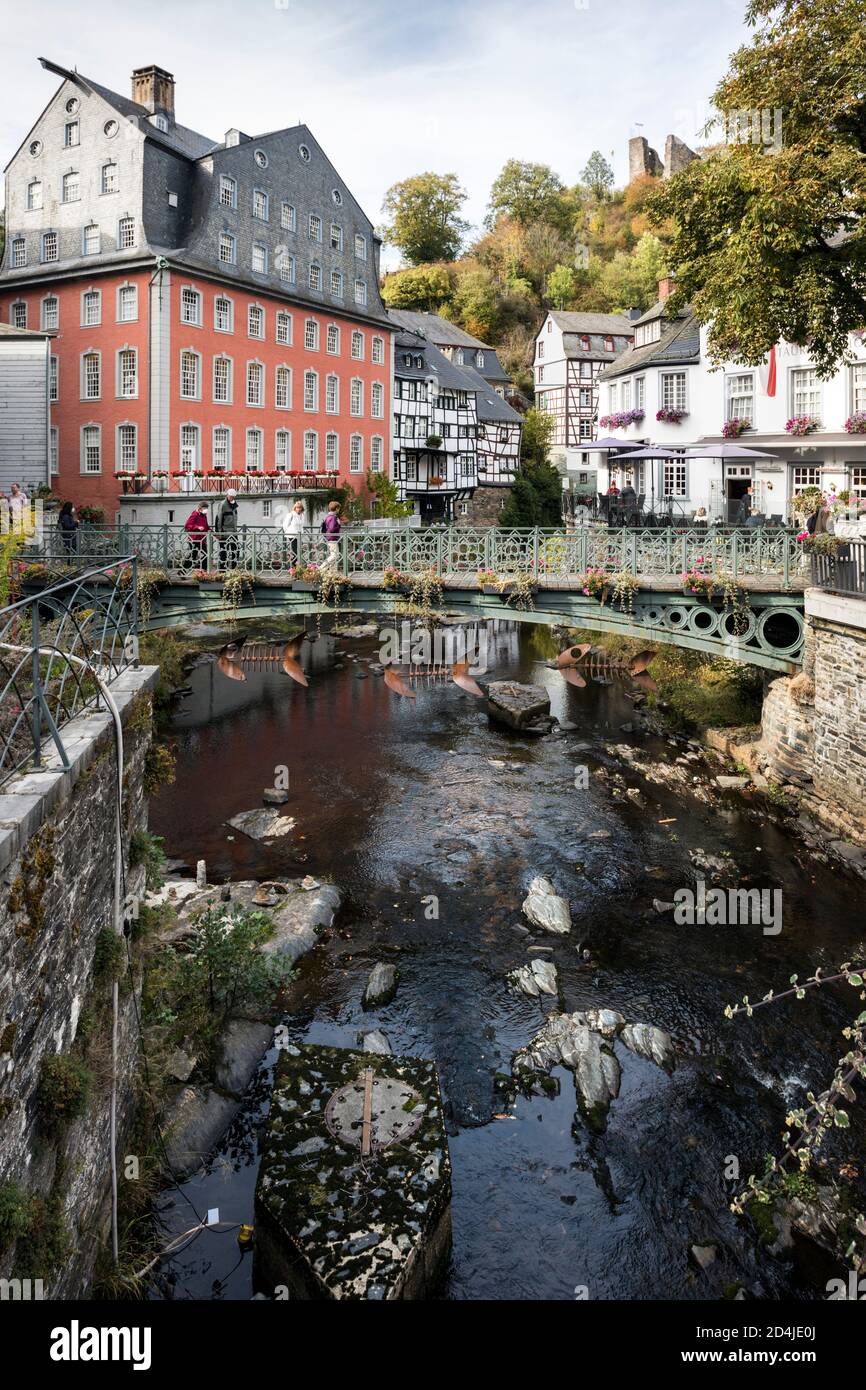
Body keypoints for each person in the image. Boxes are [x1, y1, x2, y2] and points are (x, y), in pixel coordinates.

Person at [214, 487, 239, 570]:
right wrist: (218, 533)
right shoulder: (223, 504)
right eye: (230, 496)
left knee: (236, 550)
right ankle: (222, 570)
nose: (232, 497)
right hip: (224, 532)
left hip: (234, 532)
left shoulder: (234, 504)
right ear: (227, 495)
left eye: (233, 496)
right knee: (223, 552)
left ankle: (233, 569)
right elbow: (218, 519)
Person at [184, 502, 210, 569]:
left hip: (202, 539)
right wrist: (197, 527)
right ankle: (182, 571)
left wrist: (214, 533)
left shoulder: (204, 516)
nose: (206, 510)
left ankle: (202, 570)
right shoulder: (194, 515)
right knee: (193, 556)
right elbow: (187, 525)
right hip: (194, 539)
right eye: (205, 509)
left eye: (207, 509)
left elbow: (206, 527)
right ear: (200, 509)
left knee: (206, 555)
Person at [282, 499, 306, 569]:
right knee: (295, 551)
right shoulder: (291, 515)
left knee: (300, 551)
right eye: (297, 508)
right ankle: (293, 567)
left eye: (300, 507)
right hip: (292, 535)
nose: (298, 509)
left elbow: (301, 525)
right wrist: (289, 531)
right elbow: (285, 525)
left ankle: (296, 566)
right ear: (295, 508)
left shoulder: (302, 515)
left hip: (299, 535)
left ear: (302, 508)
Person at [321, 499, 342, 568]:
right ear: (336, 509)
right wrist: (338, 524)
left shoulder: (328, 516)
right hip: (332, 538)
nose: (339, 510)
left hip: (330, 537)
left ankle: (332, 572)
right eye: (338, 508)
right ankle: (321, 567)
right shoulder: (333, 517)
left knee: (335, 556)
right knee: (335, 555)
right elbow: (332, 528)